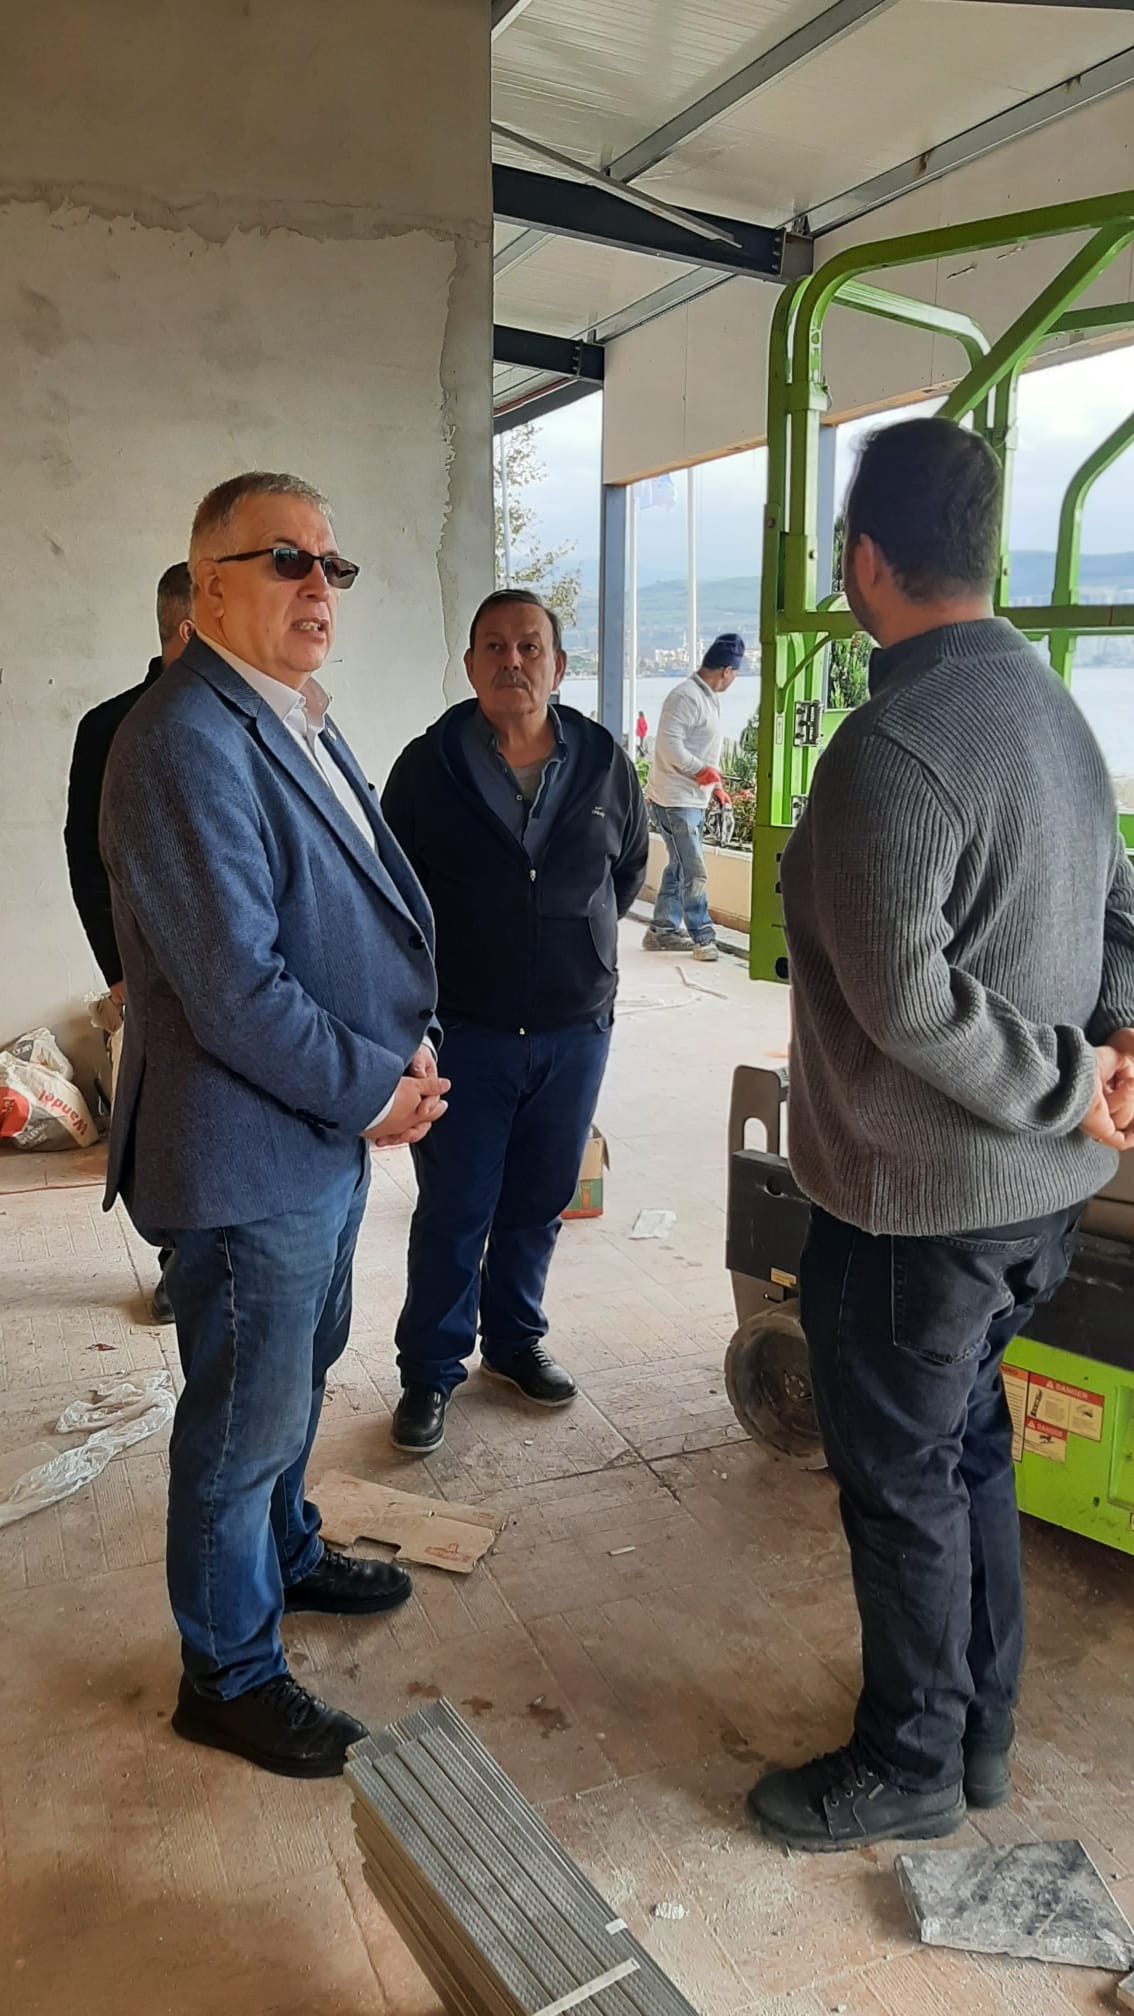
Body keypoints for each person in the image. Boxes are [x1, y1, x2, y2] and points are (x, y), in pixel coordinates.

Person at [747, 417, 1134, 1854]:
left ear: (864, 561)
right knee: (967, 1449)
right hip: (1037, 1200)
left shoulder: (889, 750)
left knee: (901, 1487)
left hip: (919, 1209)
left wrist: (1070, 1076)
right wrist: (1113, 1048)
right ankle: (975, 1733)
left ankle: (908, 1759)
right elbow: (1121, 908)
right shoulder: (1054, 707)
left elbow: (908, 1002)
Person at [100, 472, 449, 1779]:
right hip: (245, 1156)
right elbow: (235, 989)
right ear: (210, 586)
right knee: (241, 1423)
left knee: (294, 1375)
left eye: (331, 565)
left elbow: (344, 912)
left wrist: (397, 1046)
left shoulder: (286, 712)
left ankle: (286, 1554)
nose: (320, 585)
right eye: (287, 560)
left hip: (314, 1136)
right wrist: (372, 1089)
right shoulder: (183, 740)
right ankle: (229, 1675)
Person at [381, 589, 648, 1455]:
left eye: (530, 646)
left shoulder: (603, 763)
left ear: (559, 665)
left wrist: (578, 954)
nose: (512, 662)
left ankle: (514, 1340)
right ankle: (430, 1370)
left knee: (539, 1199)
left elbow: (626, 870)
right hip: (466, 1032)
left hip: (575, 1030)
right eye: (494, 647)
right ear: (470, 666)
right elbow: (389, 897)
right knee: (456, 1207)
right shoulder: (427, 769)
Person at [65, 563, 193, 1325]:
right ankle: (176, 1258)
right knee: (162, 1121)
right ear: (188, 629)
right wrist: (118, 972)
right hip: (150, 970)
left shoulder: (253, 715)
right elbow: (86, 858)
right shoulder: (111, 726)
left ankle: (222, 1250)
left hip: (237, 966)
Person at [642, 632, 744, 962]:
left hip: (690, 799)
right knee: (694, 870)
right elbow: (669, 746)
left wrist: (716, 787)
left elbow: (704, 749)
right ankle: (703, 937)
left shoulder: (706, 697)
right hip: (675, 801)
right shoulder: (685, 697)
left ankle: (662, 930)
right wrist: (701, 772)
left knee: (679, 866)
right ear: (727, 670)